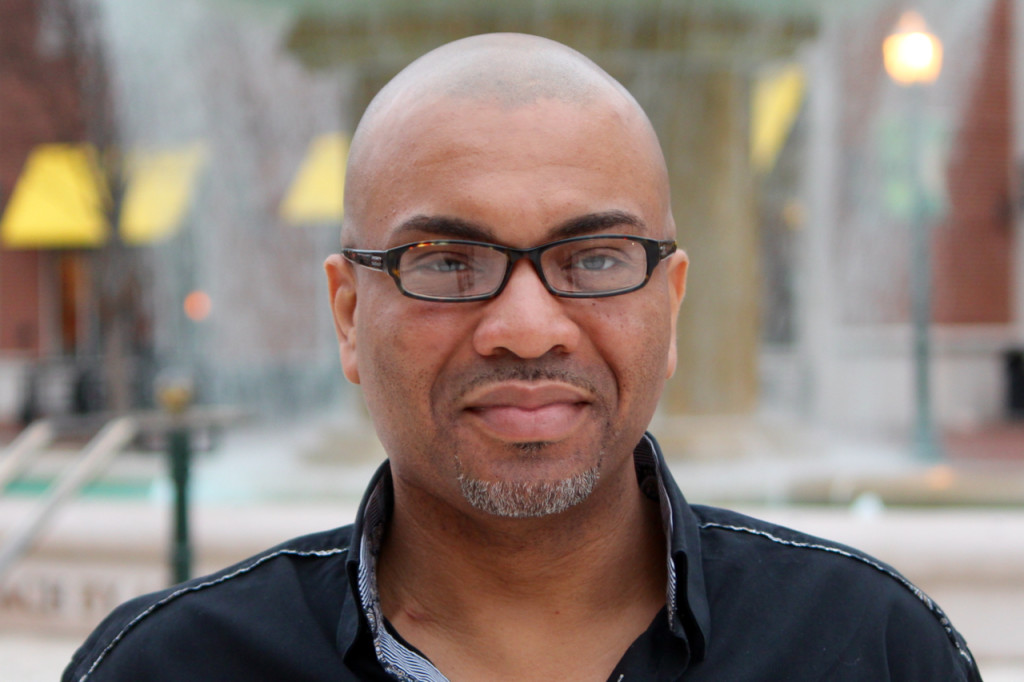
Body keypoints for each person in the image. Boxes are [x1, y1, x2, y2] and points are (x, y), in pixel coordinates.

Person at [64, 33, 982, 681]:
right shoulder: (166, 665)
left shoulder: (871, 648)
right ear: (348, 314)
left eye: (594, 260)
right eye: (449, 262)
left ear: (670, 302)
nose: (528, 325)